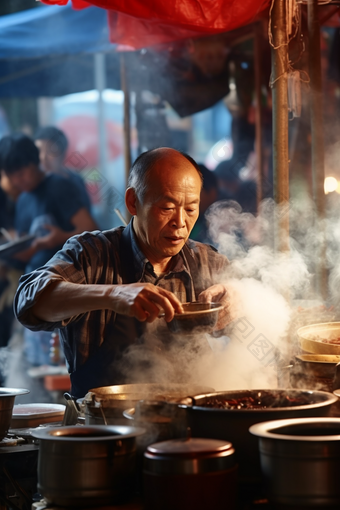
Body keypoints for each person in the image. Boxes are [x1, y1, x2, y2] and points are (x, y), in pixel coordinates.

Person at [14, 148, 232, 398]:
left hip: (190, 426)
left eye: (191, 209)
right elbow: (27, 303)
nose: (180, 222)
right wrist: (113, 295)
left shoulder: (207, 262)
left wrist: (238, 299)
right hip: (103, 427)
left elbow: (269, 322)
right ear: (133, 202)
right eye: (167, 207)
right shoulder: (90, 255)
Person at [0, 133, 98, 400]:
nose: (19, 180)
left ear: (35, 163)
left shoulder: (58, 187)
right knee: (37, 374)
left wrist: (57, 238)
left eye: (23, 172)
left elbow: (90, 229)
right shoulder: (23, 200)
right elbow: (29, 247)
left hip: (62, 291)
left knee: (63, 371)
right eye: (13, 175)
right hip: (35, 293)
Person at [34, 126, 92, 213]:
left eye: (50, 151)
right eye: (38, 151)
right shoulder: (33, 185)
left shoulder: (75, 181)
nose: (43, 157)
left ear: (63, 153)